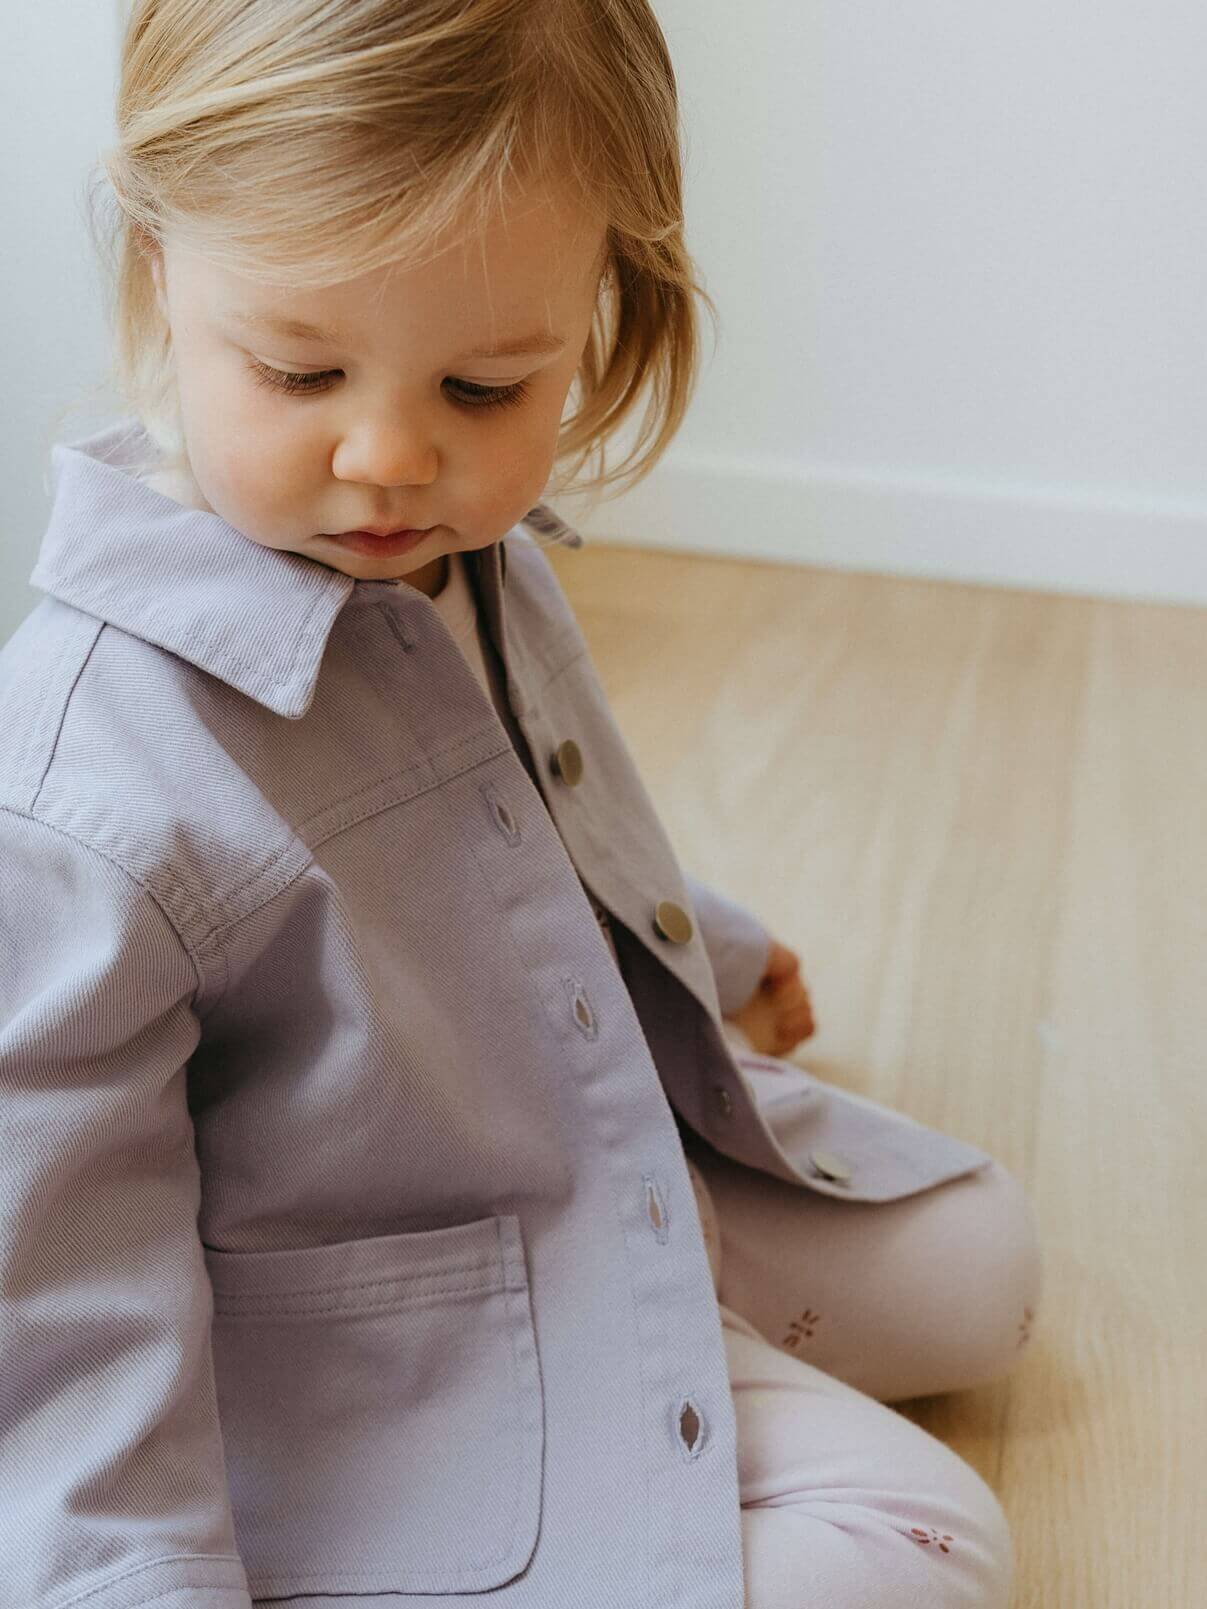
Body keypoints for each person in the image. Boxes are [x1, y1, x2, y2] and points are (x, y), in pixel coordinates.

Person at [0, 3, 1042, 1606]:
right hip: (373, 1360)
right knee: (921, 1547)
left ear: (601, 305)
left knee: (987, 1264)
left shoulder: (463, 562)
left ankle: (665, 1328)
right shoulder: (86, 787)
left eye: (485, 387)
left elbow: (507, 831)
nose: (387, 456)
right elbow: (59, 1290)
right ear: (157, 272)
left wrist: (719, 950)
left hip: (541, 1154)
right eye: (301, 367)